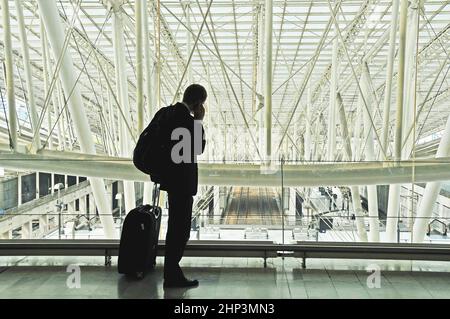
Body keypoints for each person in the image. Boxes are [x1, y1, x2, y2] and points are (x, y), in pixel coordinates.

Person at [157, 84, 207, 288]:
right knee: (180, 230)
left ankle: (171, 271)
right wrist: (199, 121)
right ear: (197, 103)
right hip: (182, 182)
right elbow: (197, 148)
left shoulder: (166, 114)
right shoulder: (186, 120)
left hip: (170, 180)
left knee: (175, 228)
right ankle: (172, 274)